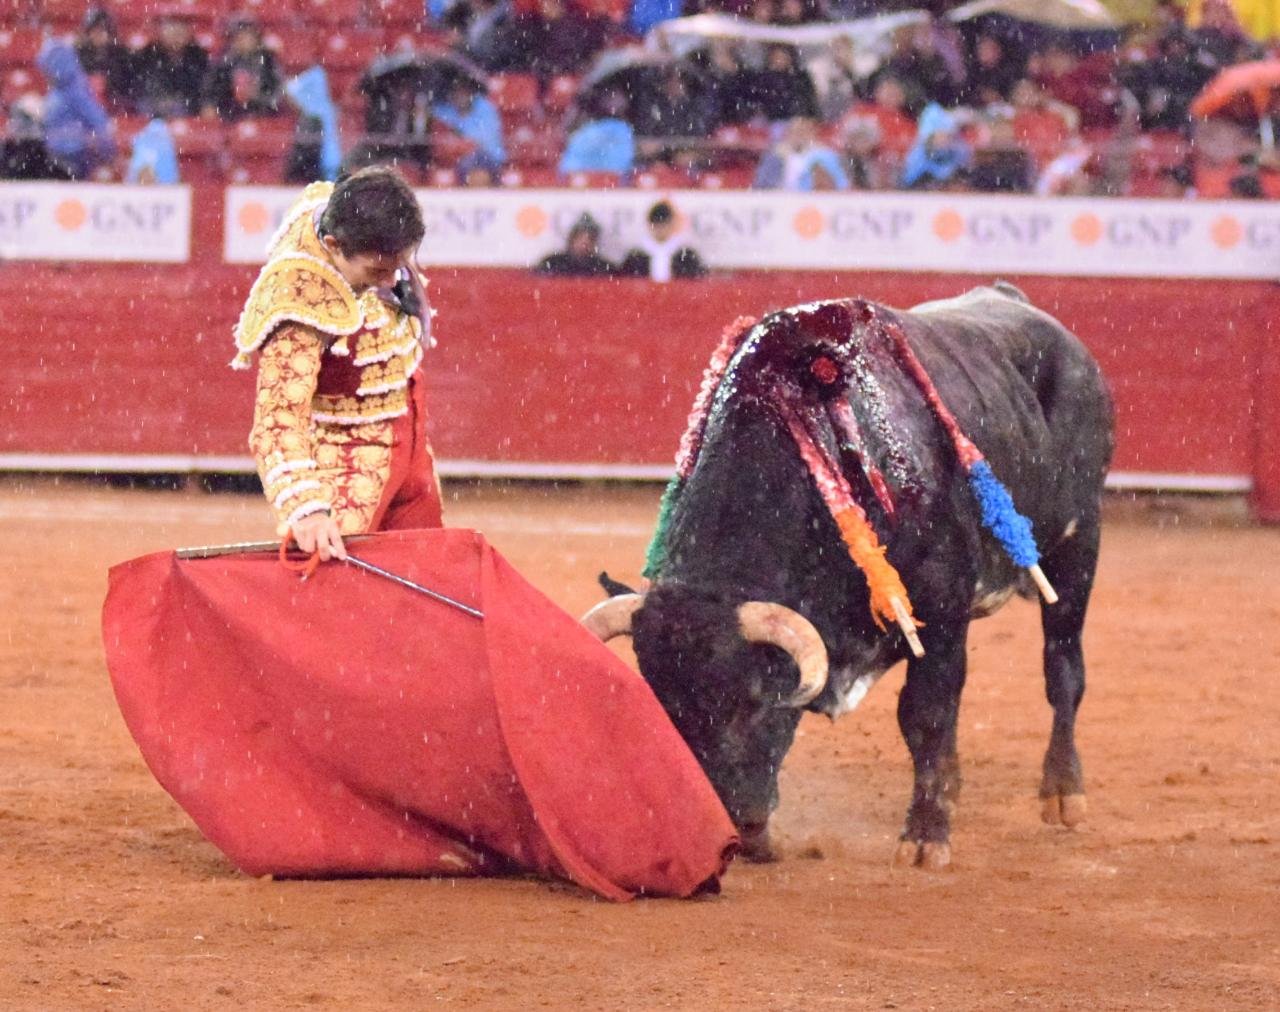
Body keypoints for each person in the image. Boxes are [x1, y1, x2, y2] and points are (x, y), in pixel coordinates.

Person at [232, 167, 443, 560]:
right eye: (376, 271)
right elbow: (277, 420)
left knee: (425, 577)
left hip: (411, 436)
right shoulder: (298, 301)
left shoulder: (343, 211)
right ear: (332, 245)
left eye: (398, 266)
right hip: (346, 456)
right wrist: (307, 508)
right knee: (329, 581)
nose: (391, 281)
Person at [35, 38, 116, 180]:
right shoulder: (56, 91)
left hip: (73, 157)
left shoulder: (75, 91)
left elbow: (98, 121)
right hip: (53, 155)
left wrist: (107, 153)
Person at [132, 9, 211, 118]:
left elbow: (202, 88)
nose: (175, 36)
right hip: (152, 105)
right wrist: (162, 99)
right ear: (160, 32)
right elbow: (141, 85)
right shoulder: (147, 55)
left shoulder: (200, 57)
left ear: (189, 32)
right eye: (171, 30)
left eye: (181, 31)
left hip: (188, 108)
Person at [204, 15, 282, 120]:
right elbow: (210, 91)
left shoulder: (268, 61)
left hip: (262, 116)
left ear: (257, 39)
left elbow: (277, 94)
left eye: (248, 36)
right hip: (229, 117)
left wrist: (257, 96)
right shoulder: (222, 63)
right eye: (239, 36)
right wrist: (211, 105)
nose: (243, 40)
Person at [753, 115, 850, 191]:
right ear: (788, 134)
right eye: (797, 132)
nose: (800, 136)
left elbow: (841, 183)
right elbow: (762, 185)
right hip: (782, 199)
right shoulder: (775, 155)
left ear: (813, 134)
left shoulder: (826, 155)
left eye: (804, 132)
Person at [432, 78, 506, 177]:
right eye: (456, 92)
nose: (460, 96)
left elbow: (482, 141)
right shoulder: (446, 110)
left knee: (469, 163)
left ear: (472, 93)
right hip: (457, 158)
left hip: (489, 157)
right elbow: (435, 123)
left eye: (464, 92)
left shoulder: (485, 108)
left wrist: (458, 136)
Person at [619, 201, 706, 282]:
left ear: (672, 224)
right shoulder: (636, 256)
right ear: (649, 225)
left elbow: (695, 283)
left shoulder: (686, 255)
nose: (660, 229)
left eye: (664, 224)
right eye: (656, 224)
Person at [75, 7, 134, 110]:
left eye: (102, 31)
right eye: (95, 31)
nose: (98, 35)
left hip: (114, 108)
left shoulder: (121, 56)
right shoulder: (78, 55)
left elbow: (126, 89)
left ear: (110, 34)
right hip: (83, 107)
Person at [533, 213, 616, 277]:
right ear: (571, 240)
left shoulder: (603, 267)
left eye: (590, 238)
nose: (585, 243)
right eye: (580, 237)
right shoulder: (553, 263)